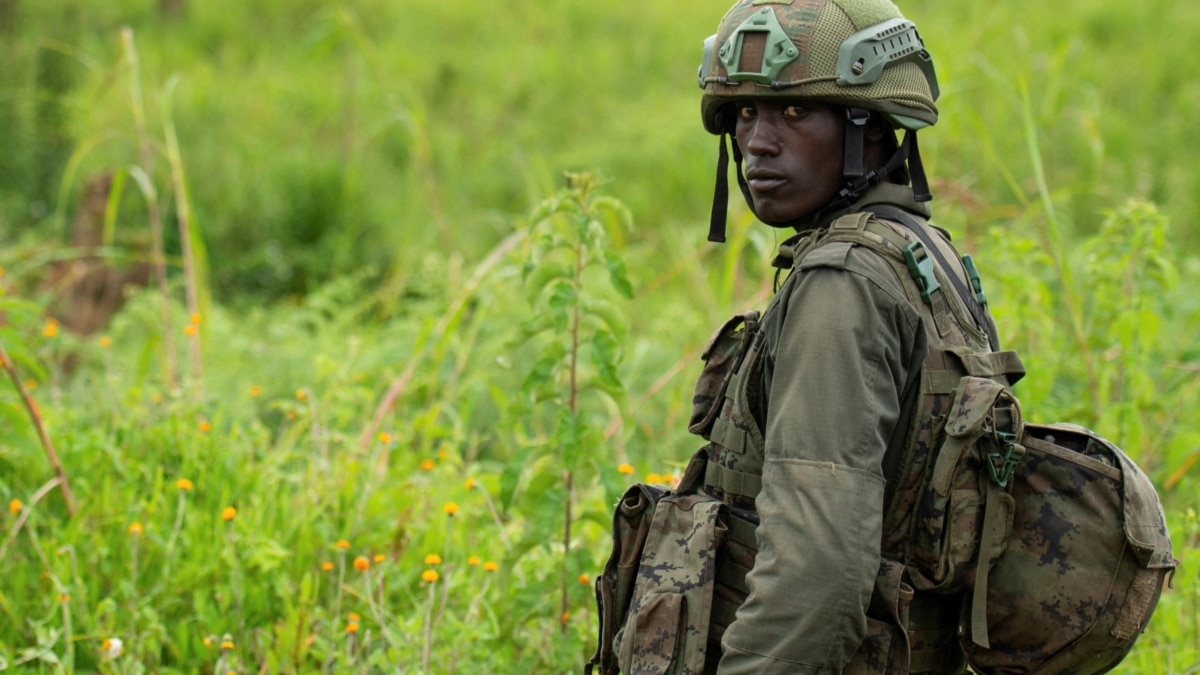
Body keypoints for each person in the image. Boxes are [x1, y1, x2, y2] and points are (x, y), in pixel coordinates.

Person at [693, 0, 1002, 672]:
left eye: (796, 113)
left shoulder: (842, 285)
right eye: (746, 114)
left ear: (870, 129)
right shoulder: (918, 252)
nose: (759, 143)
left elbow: (817, 578)